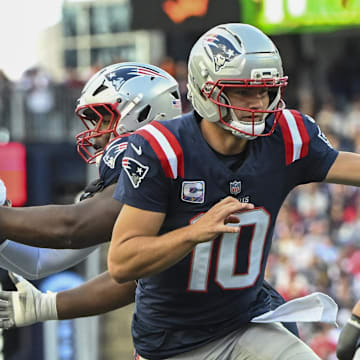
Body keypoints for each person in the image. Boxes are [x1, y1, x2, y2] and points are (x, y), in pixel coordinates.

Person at [107, 23, 360, 360]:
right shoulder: (164, 148)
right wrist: (192, 234)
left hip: (247, 322)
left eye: (265, 90)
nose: (258, 102)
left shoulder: (288, 136)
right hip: (171, 344)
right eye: (243, 91)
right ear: (206, 90)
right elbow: (121, 262)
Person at [0, 61, 296, 339]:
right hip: (245, 322)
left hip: (227, 331)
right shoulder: (182, 157)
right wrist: (45, 305)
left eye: (103, 118)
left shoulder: (145, 155)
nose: (96, 135)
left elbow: (75, 227)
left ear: (141, 112)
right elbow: (130, 276)